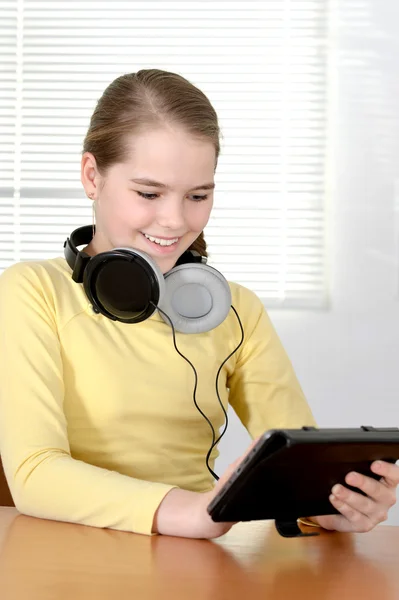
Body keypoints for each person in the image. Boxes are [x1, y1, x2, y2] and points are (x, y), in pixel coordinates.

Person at [0, 70, 397, 539]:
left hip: (195, 558)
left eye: (197, 195)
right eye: (149, 193)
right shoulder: (32, 291)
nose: (174, 220)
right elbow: (35, 473)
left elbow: (296, 456)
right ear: (92, 175)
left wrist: (327, 503)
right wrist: (190, 512)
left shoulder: (235, 311)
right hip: (70, 555)